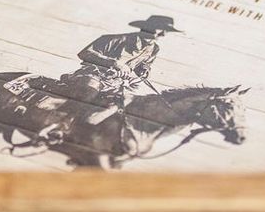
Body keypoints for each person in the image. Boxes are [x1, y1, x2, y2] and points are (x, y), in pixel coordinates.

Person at [30, 15, 181, 149]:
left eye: (165, 31)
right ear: (147, 27)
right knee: (88, 93)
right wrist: (113, 62)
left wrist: (143, 70)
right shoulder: (114, 39)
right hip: (93, 75)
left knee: (123, 106)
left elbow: (145, 64)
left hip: (118, 84)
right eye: (160, 29)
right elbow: (85, 53)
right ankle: (57, 126)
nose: (163, 34)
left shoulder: (153, 48)